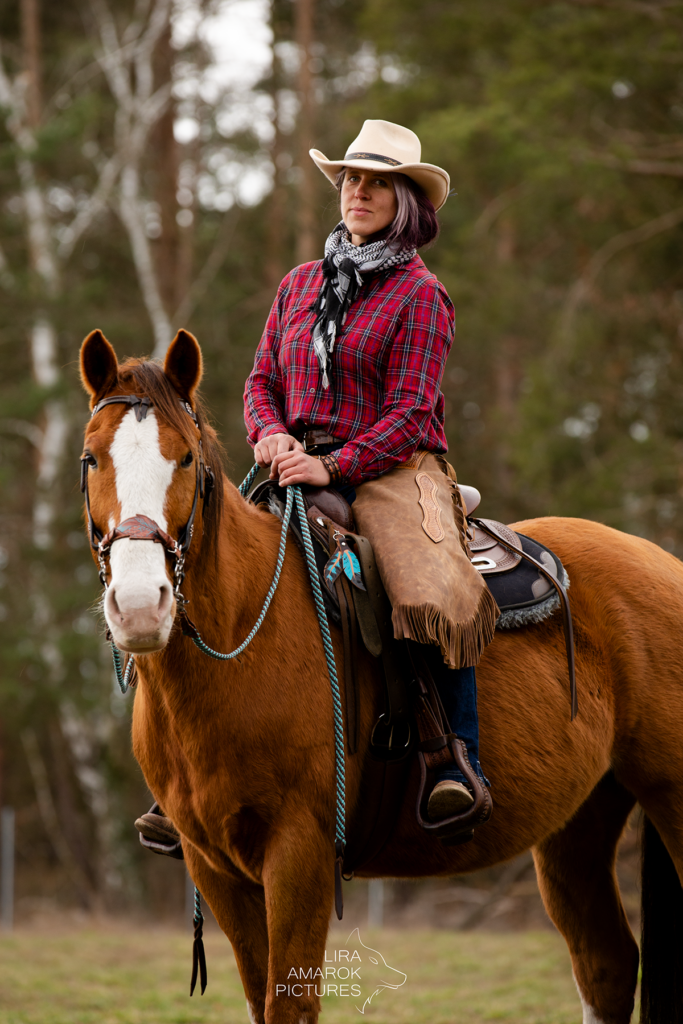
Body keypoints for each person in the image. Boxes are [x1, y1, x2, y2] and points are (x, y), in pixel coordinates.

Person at [243, 119, 497, 821]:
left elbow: (411, 412)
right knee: (200, 561)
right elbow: (260, 380)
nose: (357, 190)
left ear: (405, 200)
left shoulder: (420, 295)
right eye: (351, 178)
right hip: (295, 462)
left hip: (392, 463)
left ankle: (453, 757)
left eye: (375, 181)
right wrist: (270, 439)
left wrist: (331, 466)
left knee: (428, 588)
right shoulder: (299, 284)